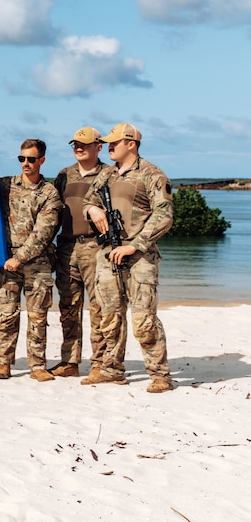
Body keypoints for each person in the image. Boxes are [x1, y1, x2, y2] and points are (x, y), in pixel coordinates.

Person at [80, 123, 175, 393]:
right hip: (109, 254)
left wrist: (136, 245)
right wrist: (93, 211)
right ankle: (111, 369)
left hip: (140, 257)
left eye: (115, 142)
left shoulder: (151, 174)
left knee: (144, 320)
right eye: (108, 142)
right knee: (109, 316)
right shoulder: (107, 175)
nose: (110, 146)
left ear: (131, 144)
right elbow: (88, 200)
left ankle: (160, 375)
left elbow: (164, 214)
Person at [0, 139, 63, 382]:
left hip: (37, 263)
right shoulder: (6, 185)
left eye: (31, 159)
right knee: (8, 314)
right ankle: (4, 364)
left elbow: (43, 233)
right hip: (7, 262)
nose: (26, 163)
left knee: (38, 315)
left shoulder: (49, 193)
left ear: (42, 160)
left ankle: (37, 366)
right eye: (22, 158)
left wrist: (19, 258)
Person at [50, 127, 107, 378]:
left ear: (99, 146)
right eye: (75, 143)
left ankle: (99, 364)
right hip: (66, 247)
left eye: (84, 144)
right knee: (68, 308)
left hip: (96, 247)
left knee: (99, 309)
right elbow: (52, 211)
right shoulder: (64, 174)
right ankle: (70, 362)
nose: (78, 147)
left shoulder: (109, 174)